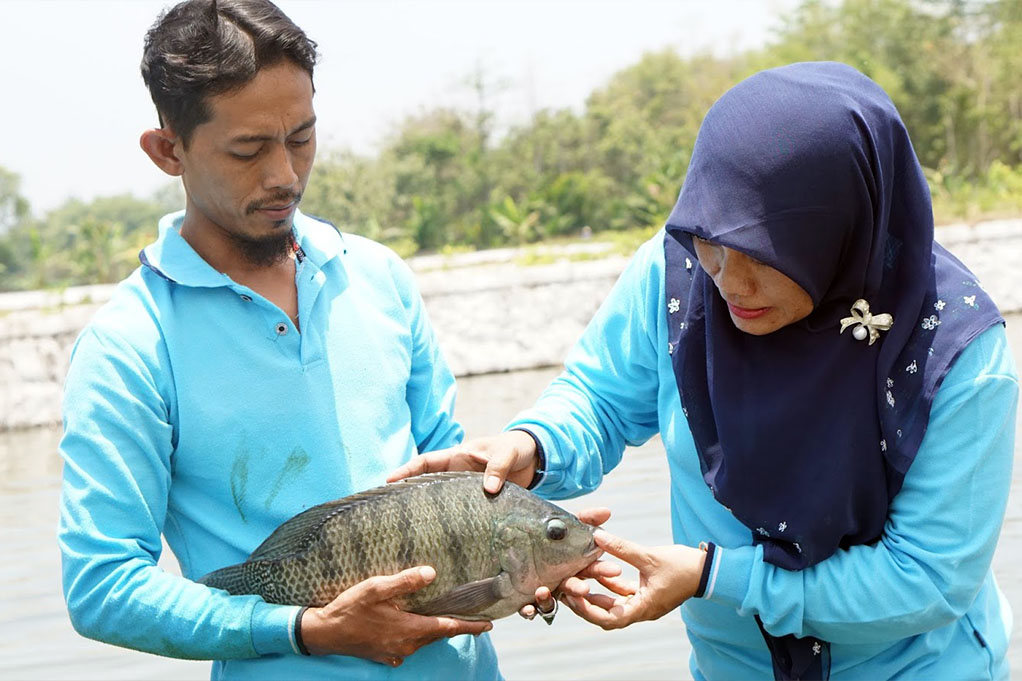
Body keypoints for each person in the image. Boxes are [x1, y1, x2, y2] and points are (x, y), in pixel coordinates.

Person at [389, 62, 1019, 680]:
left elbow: (931, 580)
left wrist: (716, 576)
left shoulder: (956, 360)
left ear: (840, 232)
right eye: (710, 243)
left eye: (763, 256)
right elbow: (602, 399)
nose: (728, 283)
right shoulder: (677, 275)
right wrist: (535, 444)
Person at [56, 1, 500, 678]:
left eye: (301, 137)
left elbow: (449, 477)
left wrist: (523, 557)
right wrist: (303, 629)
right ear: (167, 150)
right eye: (249, 148)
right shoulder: (129, 348)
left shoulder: (379, 279)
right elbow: (102, 585)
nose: (285, 174)